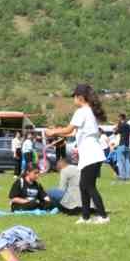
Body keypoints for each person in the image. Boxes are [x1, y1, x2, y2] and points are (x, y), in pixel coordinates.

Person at [46, 84, 110, 222]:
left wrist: (53, 132)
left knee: (89, 187)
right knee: (83, 186)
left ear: (80, 97)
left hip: (91, 155)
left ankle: (103, 216)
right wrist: (60, 133)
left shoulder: (82, 111)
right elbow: (75, 132)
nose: (73, 100)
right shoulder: (89, 112)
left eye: (74, 96)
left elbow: (69, 130)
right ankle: (85, 217)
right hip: (91, 154)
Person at [56, 150, 83, 215]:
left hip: (75, 204)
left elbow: (61, 189)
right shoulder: (77, 168)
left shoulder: (64, 171)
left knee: (52, 193)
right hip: (88, 202)